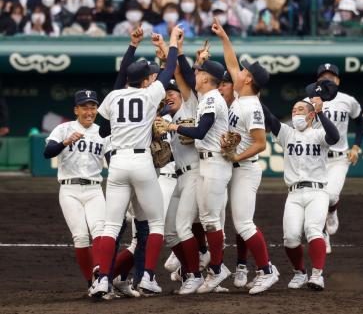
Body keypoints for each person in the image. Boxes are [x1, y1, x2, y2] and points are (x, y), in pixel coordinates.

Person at [88, 25, 182, 297]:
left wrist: (132, 46)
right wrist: (173, 42)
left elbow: (103, 128)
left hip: (116, 164)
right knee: (156, 224)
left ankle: (103, 279)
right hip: (142, 164)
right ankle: (149, 277)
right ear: (144, 81)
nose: (154, 78)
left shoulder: (114, 96)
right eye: (149, 76)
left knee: (111, 226)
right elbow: (168, 70)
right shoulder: (150, 94)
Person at [212, 17, 279, 294]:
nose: (238, 72)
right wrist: (224, 37)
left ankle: (267, 270)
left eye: (243, 71)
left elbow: (262, 144)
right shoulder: (242, 98)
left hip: (246, 168)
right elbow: (231, 61)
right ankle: (258, 268)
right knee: (236, 221)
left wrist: (235, 157)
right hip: (236, 167)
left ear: (249, 78)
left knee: (243, 222)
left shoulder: (252, 106)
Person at [162, 57, 232, 293]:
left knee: (206, 221)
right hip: (198, 168)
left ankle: (212, 268)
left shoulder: (206, 99)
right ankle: (203, 267)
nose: (195, 75)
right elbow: (185, 77)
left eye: (198, 71)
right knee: (194, 224)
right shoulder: (204, 99)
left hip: (210, 165)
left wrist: (175, 127)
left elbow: (201, 131)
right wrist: (175, 53)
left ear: (204, 77)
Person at [263, 96, 340, 291]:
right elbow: (270, 118)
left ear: (311, 115)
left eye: (300, 110)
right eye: (293, 110)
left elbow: (335, 136)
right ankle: (300, 273)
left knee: (313, 230)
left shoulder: (319, 134)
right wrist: (252, 98)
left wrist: (321, 113)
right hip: (294, 194)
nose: (295, 113)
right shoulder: (287, 133)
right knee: (290, 238)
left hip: (317, 191)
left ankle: (317, 276)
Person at [43, 90, 105, 295]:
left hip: (95, 189)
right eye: (85, 107)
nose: (89, 111)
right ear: (76, 110)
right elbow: (48, 152)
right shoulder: (63, 129)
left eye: (93, 107)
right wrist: (65, 142)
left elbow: (113, 160)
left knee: (99, 231)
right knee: (80, 237)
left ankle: (100, 277)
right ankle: (91, 283)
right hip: (69, 190)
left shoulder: (102, 132)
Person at [308, 64, 363, 253]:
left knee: (331, 196)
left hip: (339, 157)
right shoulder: (308, 100)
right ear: (317, 81)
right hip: (316, 157)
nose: (327, 80)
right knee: (318, 196)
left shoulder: (348, 100)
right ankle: (323, 233)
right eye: (323, 77)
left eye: (331, 77)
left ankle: (332, 211)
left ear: (338, 81)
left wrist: (356, 146)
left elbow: (360, 122)